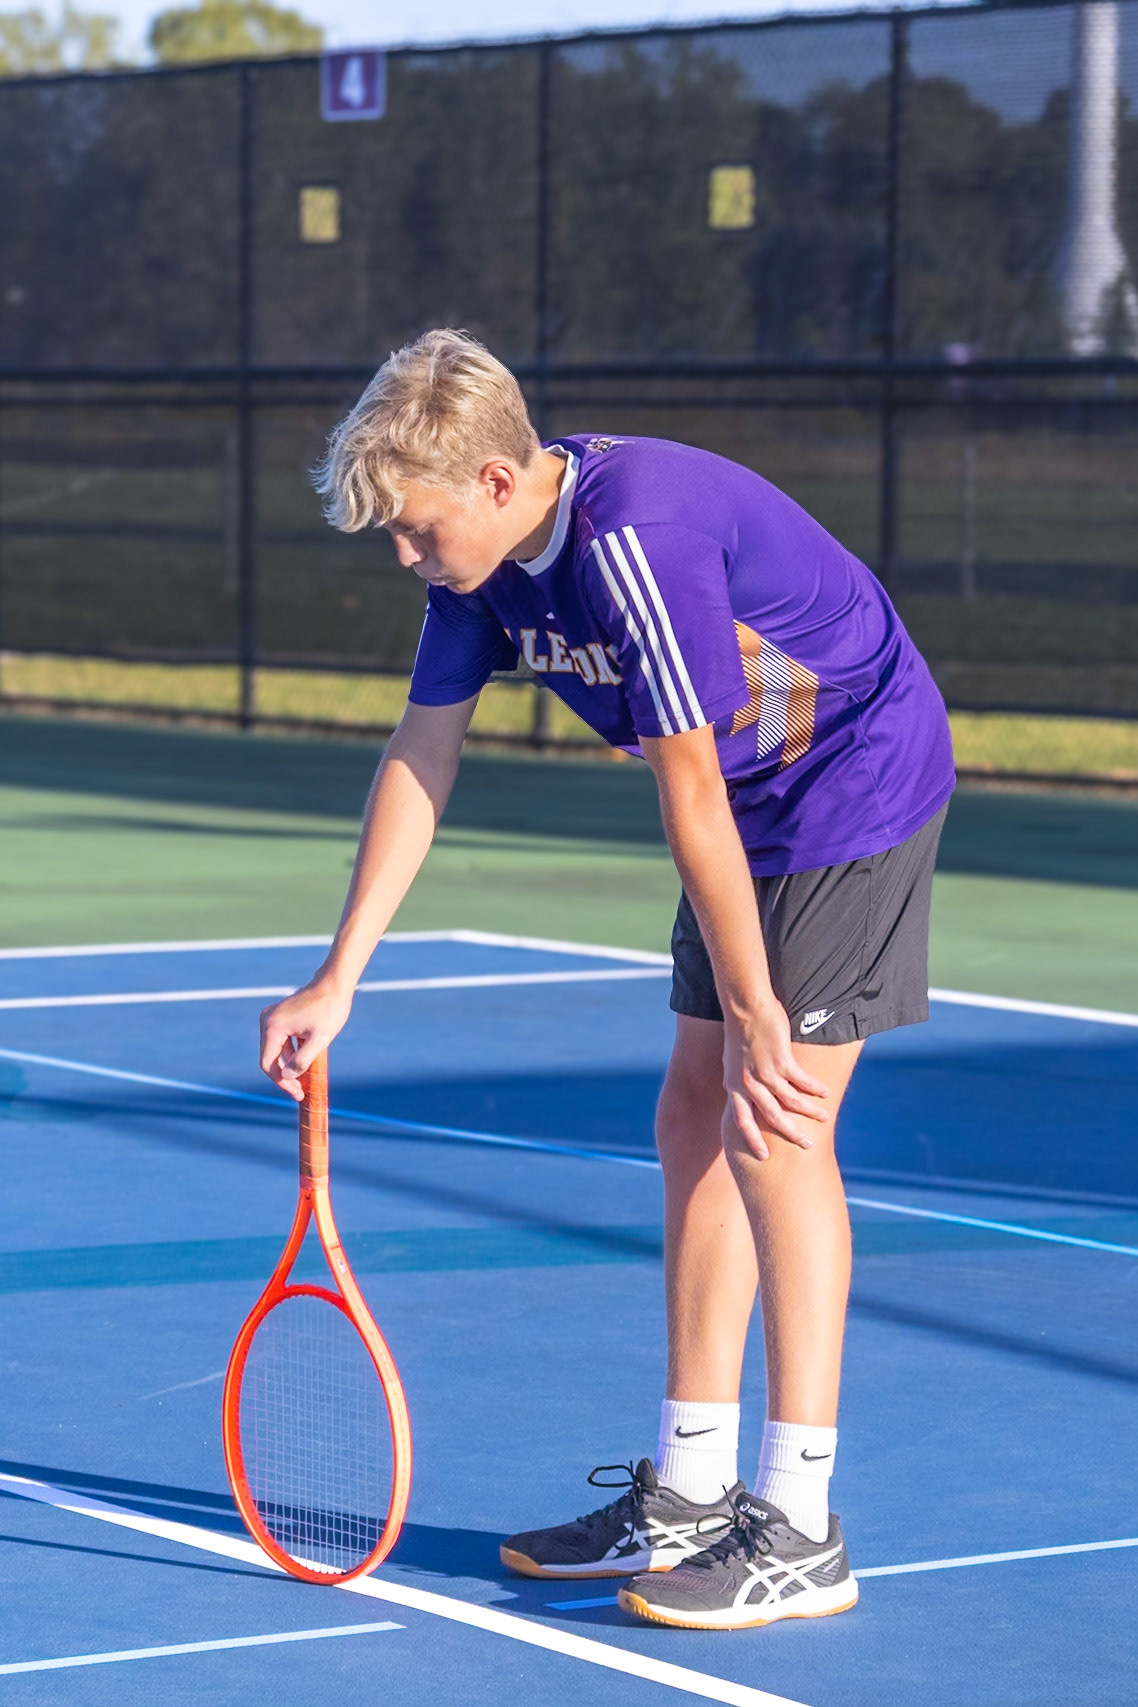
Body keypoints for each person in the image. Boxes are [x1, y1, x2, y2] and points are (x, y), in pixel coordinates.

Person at [259, 327, 955, 1632]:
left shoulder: (634, 536)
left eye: (417, 532)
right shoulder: (479, 574)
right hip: (746, 800)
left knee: (773, 1126)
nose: (408, 561)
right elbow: (423, 751)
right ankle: (688, 1495)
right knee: (689, 1115)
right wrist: (338, 975)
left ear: (499, 483)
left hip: (846, 786)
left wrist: (756, 1013)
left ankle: (799, 1524)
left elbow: (690, 784)